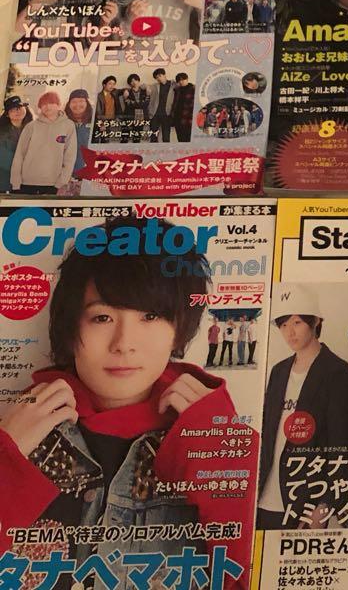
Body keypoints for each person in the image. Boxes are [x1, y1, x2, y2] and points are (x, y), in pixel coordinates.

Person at [0, 218, 255, 581]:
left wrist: (223, 458)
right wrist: (7, 457)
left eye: (150, 316)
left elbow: (244, 578)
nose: (124, 343)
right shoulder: (24, 428)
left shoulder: (221, 439)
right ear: (71, 328)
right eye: (102, 317)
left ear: (179, 328)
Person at [258, 286, 348, 529]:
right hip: (263, 498)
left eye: (297, 322)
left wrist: (324, 505)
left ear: (316, 322)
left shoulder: (337, 371)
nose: (289, 332)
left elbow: (341, 444)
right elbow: (267, 434)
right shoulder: (279, 371)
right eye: (283, 325)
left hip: (305, 501)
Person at [10, 91, 77, 195]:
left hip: (53, 184)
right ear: (40, 107)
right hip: (27, 182)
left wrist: (61, 183)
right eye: (44, 104)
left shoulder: (68, 126)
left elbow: (70, 157)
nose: (47, 106)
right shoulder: (31, 126)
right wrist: (16, 183)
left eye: (51, 103)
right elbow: (19, 155)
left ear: (59, 105)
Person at [0, 95, 29, 192]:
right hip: (6, 181)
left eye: (20, 107)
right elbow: (5, 160)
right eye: (13, 109)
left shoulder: (33, 128)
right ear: (7, 114)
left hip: (28, 181)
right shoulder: (2, 133)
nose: (17, 111)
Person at [63, 89, 93, 182]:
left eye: (81, 101)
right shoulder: (62, 121)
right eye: (74, 101)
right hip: (65, 175)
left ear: (87, 103)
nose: (77, 104)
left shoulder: (95, 122)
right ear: (69, 104)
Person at [146, 67, 175, 143]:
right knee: (153, 137)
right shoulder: (155, 86)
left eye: (160, 76)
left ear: (164, 75)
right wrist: (147, 88)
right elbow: (143, 85)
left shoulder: (173, 85)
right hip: (155, 114)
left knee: (166, 138)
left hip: (167, 114)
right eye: (156, 77)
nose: (158, 78)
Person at [170, 72, 195, 143]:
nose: (181, 82)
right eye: (179, 80)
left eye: (183, 80)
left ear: (187, 79)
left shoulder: (193, 89)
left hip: (188, 119)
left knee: (188, 139)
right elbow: (174, 103)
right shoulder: (177, 90)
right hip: (177, 118)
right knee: (180, 139)